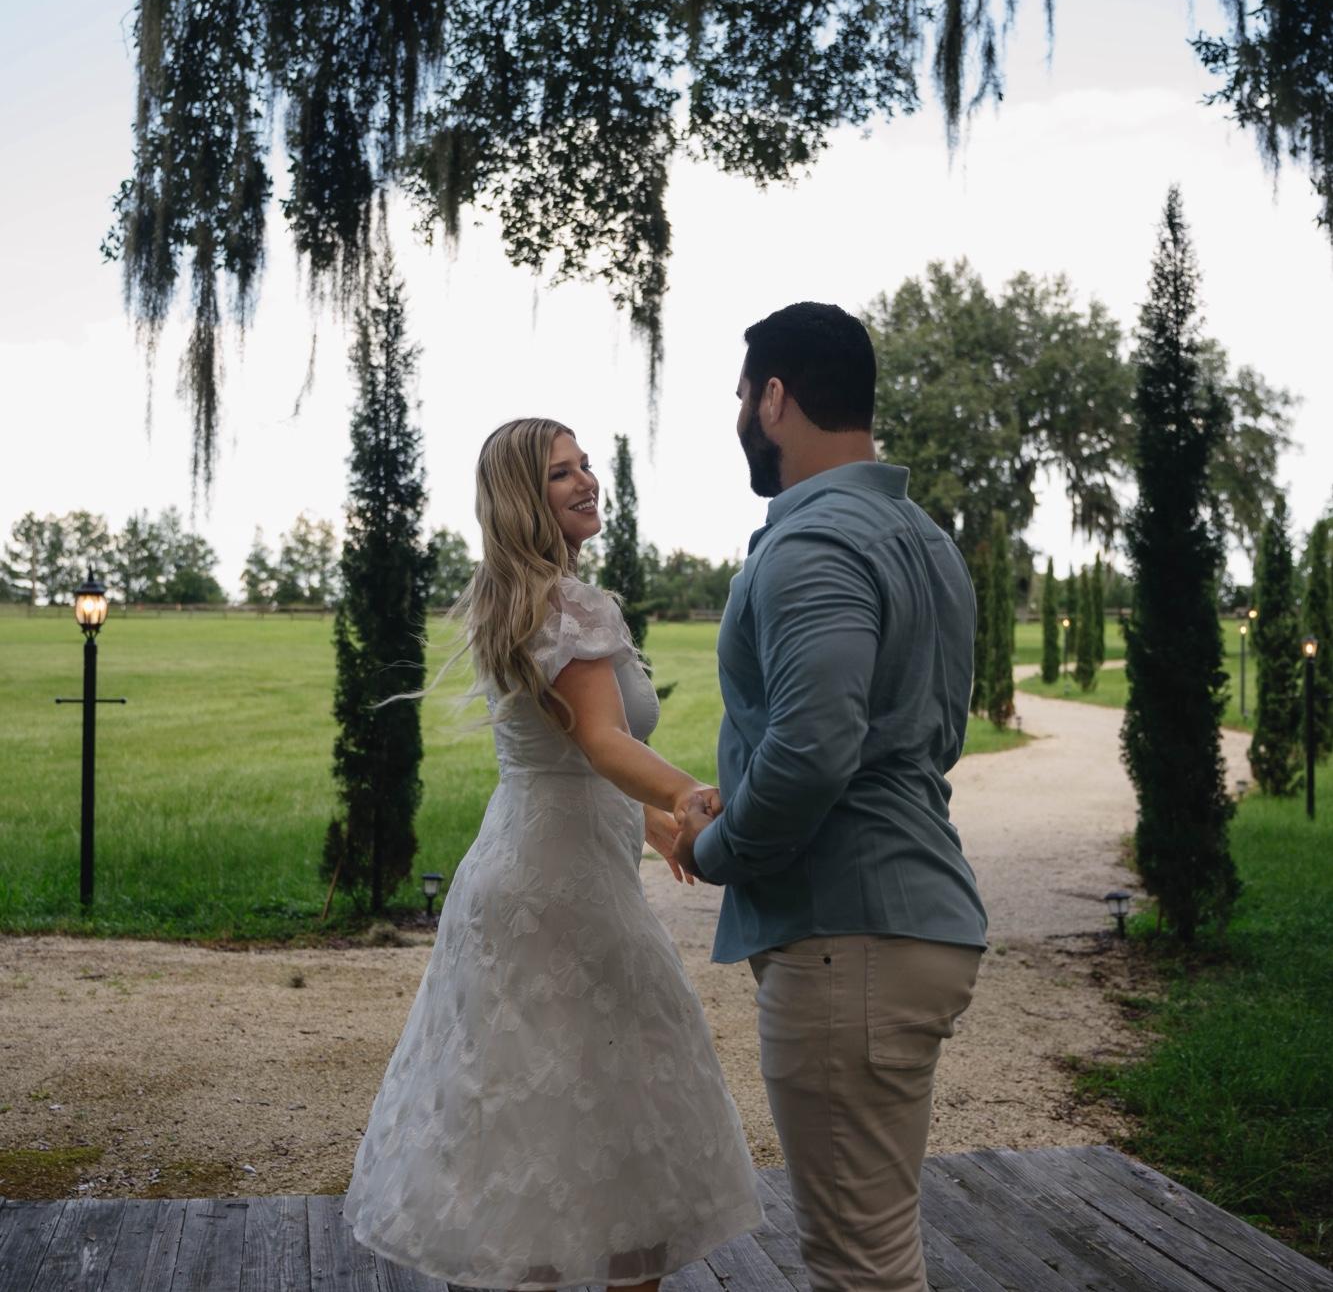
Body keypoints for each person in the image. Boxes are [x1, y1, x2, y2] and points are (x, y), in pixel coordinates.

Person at [343, 418, 763, 1291]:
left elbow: (566, 753)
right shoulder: (572, 604)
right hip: (564, 892)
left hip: (518, 872)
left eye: (584, 466)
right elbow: (604, 743)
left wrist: (654, 824)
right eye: (559, 474)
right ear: (521, 500)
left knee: (535, 1124)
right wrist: (688, 794)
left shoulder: (513, 598)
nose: (585, 482)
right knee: (621, 1115)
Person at [669, 301, 990, 1292]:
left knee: (857, 1267)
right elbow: (915, 734)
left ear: (774, 398)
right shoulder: (925, 541)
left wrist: (713, 848)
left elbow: (814, 750)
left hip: (847, 939)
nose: (739, 418)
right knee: (877, 1254)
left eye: (741, 396)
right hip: (903, 927)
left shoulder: (814, 544)